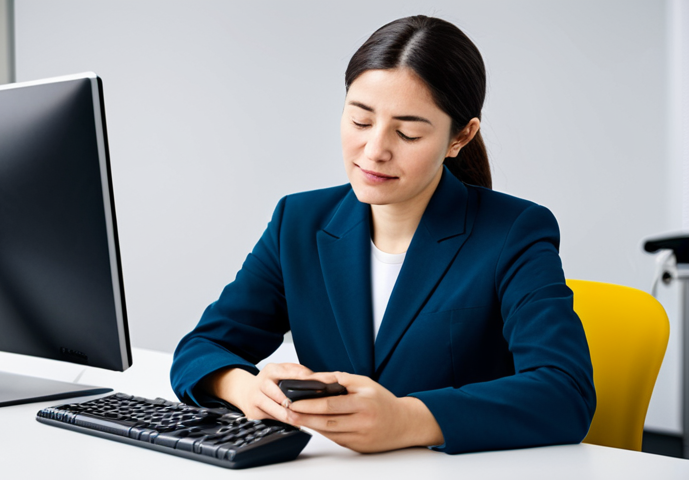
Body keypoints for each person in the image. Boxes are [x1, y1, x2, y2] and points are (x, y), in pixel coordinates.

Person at [170, 15, 596, 455]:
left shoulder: (514, 232)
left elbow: (566, 392)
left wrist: (410, 419)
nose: (375, 151)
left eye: (408, 132)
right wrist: (245, 389)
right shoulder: (297, 221)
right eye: (359, 121)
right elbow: (202, 346)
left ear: (460, 137)